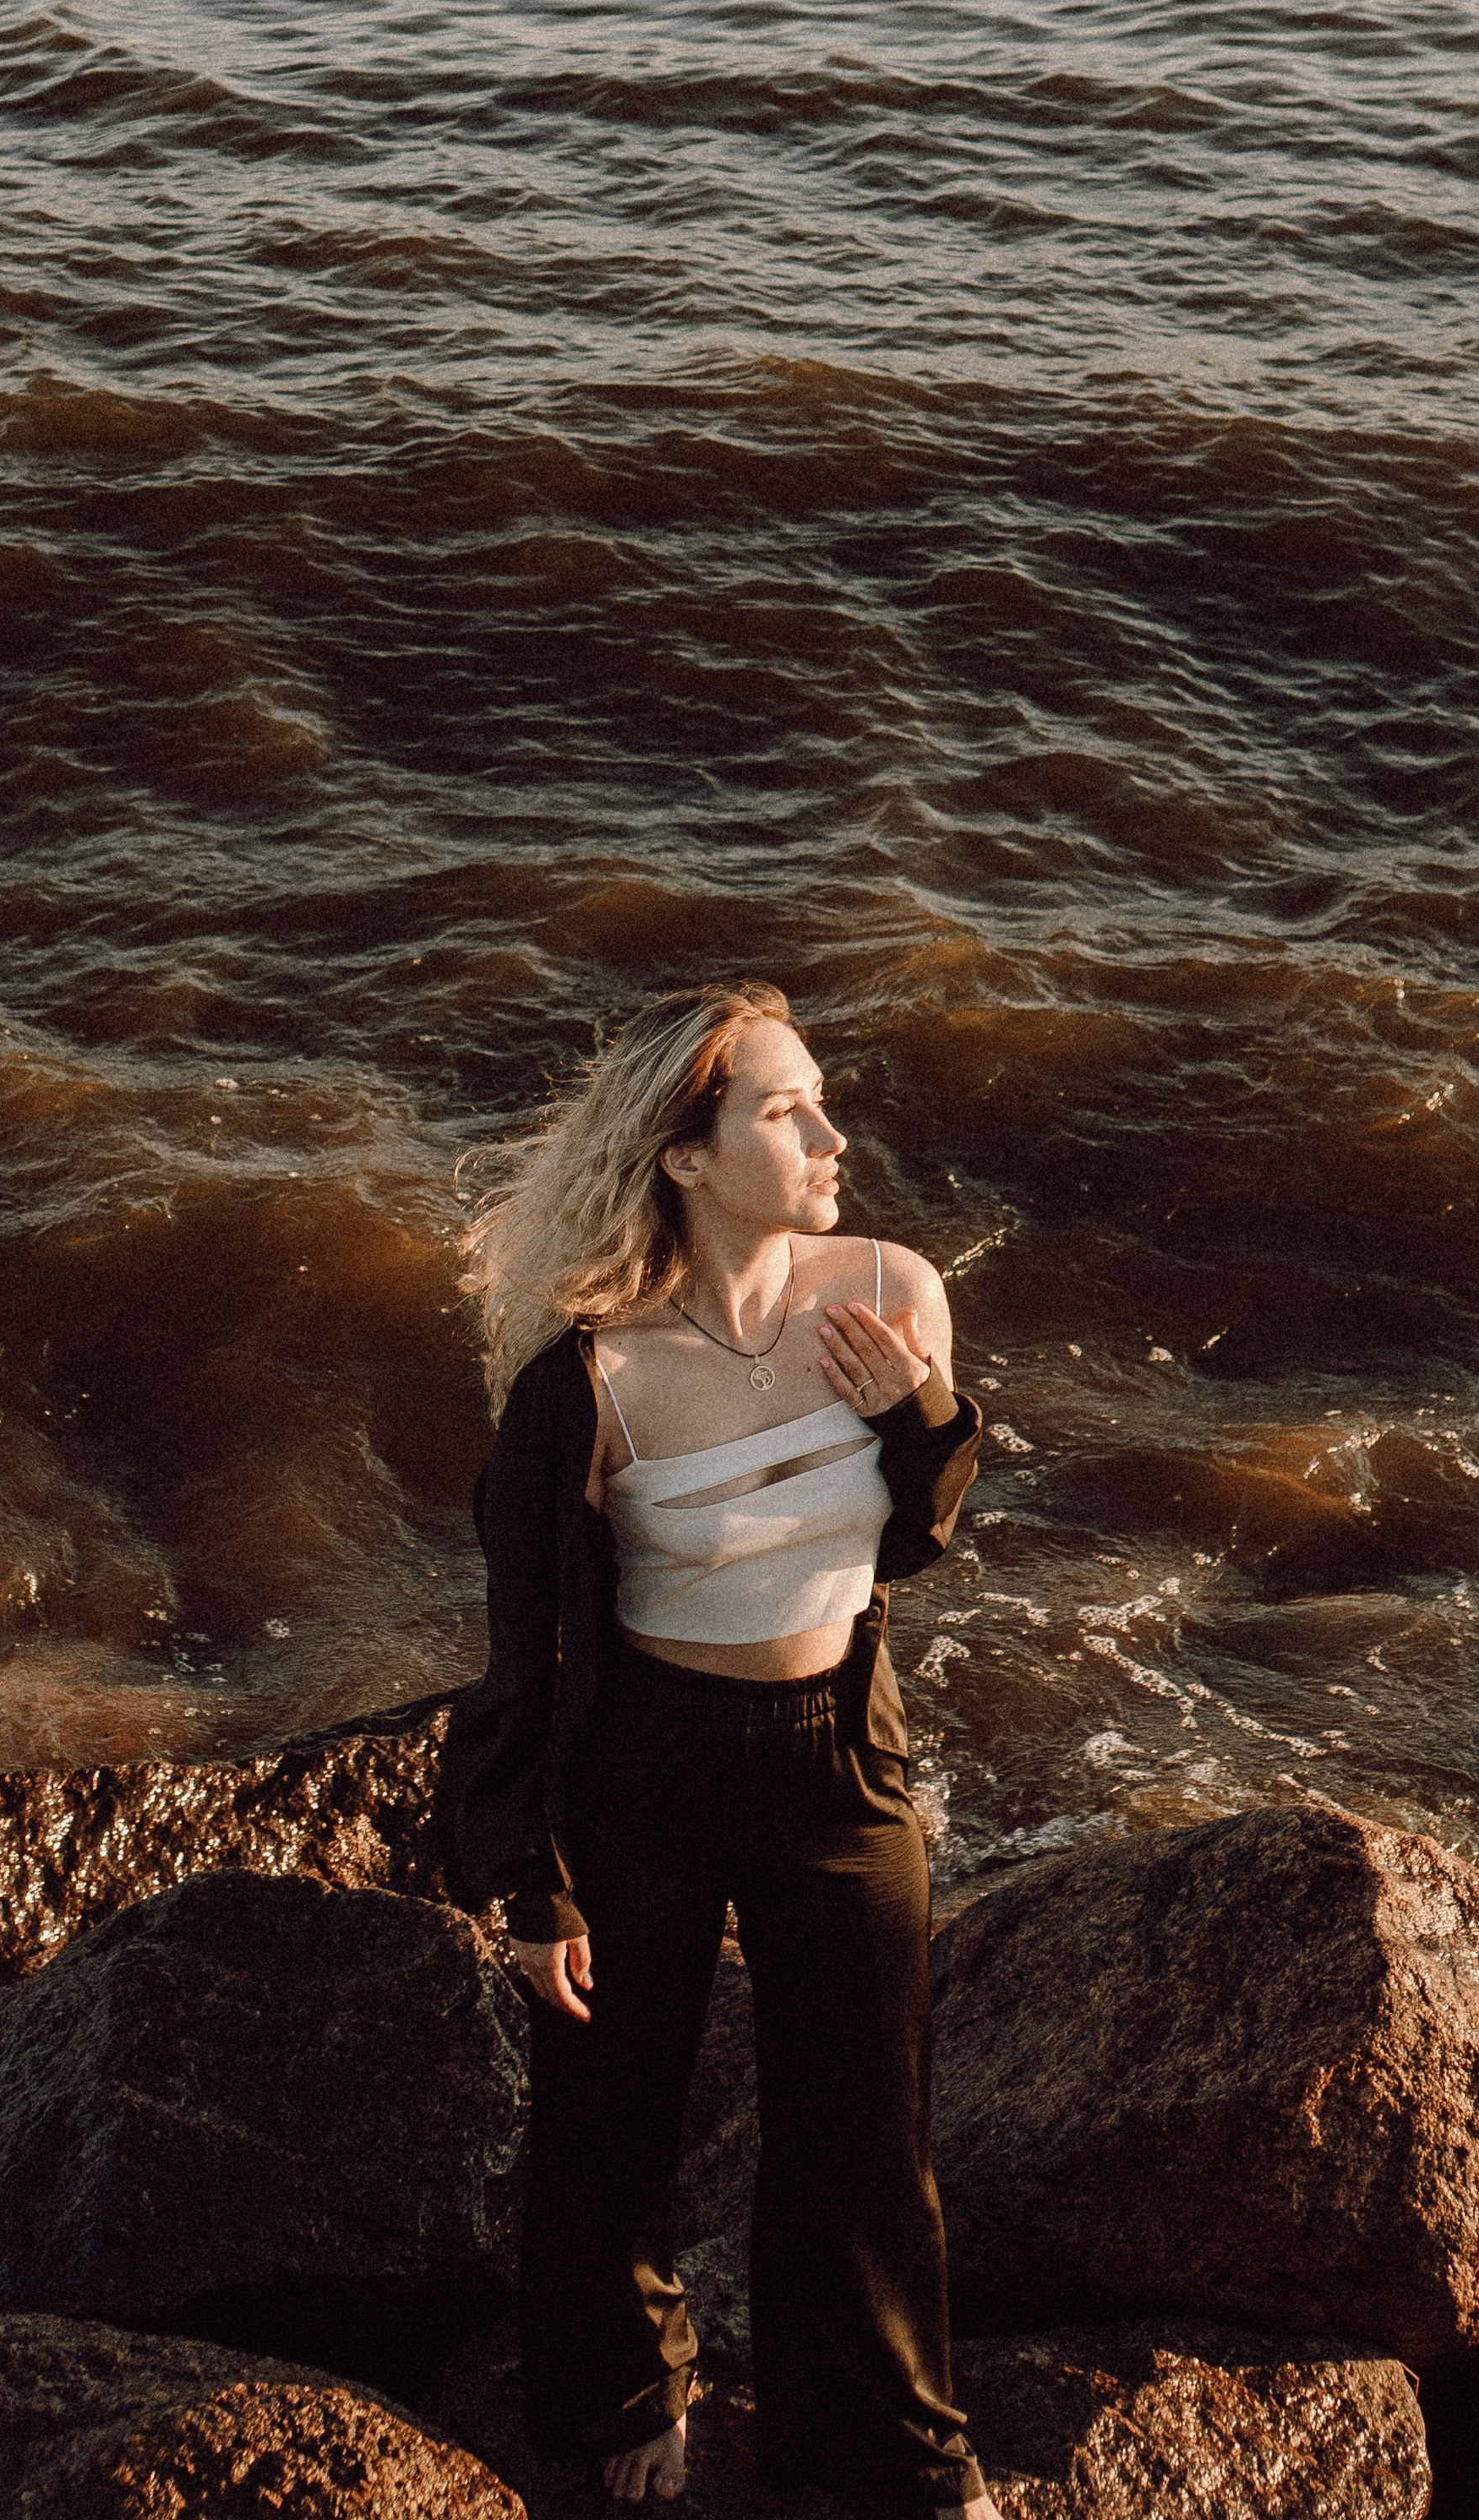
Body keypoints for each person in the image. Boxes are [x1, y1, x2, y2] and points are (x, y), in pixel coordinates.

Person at [436, 980, 993, 2515]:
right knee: (615, 2107)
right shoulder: (589, 1381)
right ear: (683, 1157)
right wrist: (531, 1885)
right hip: (650, 1775)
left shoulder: (893, 1291)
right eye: (781, 1109)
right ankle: (620, 2393)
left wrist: (925, 1416)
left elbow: (911, 1544)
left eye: (817, 1097)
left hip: (841, 1760)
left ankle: (888, 2449)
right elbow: (531, 1652)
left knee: (868, 2135)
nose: (829, 1133)